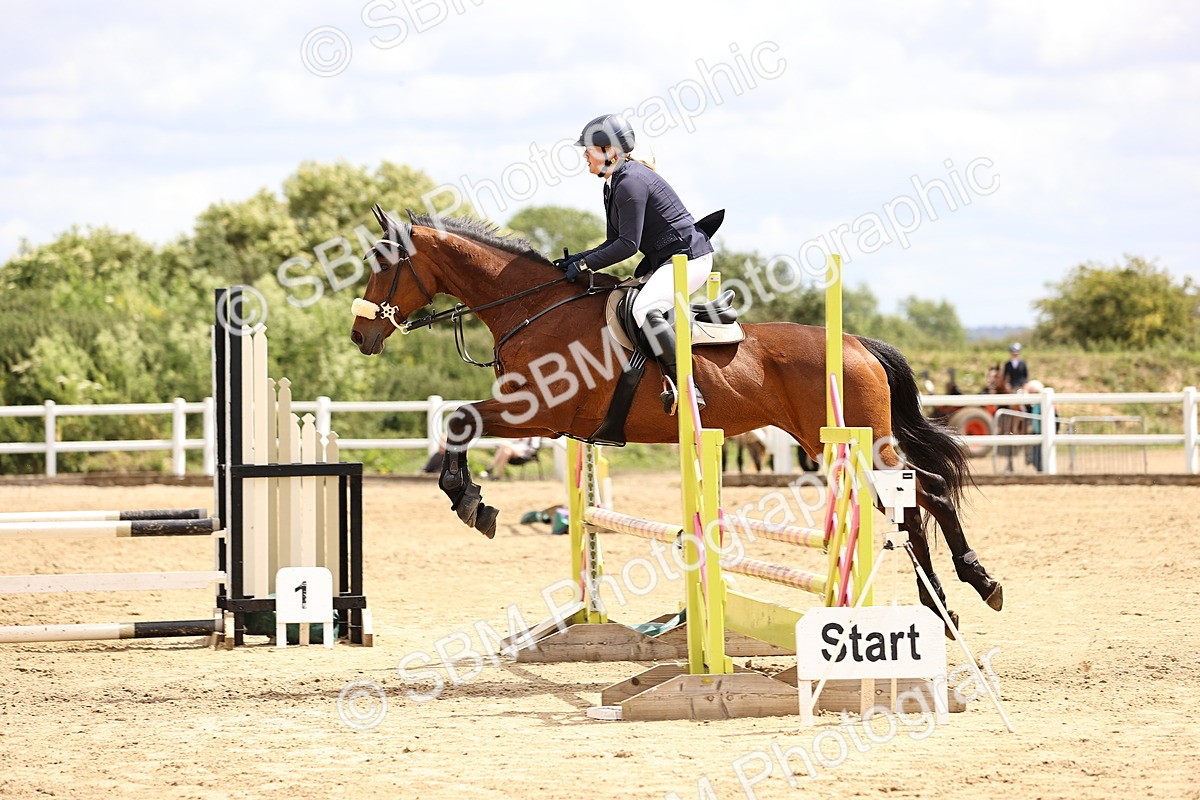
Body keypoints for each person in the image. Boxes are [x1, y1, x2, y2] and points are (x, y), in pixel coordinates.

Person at [554, 113, 717, 413]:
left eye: (588, 150)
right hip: (669, 260)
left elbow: (628, 246)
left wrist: (586, 265)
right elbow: (612, 242)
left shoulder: (630, 183)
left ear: (608, 152)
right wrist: (578, 259)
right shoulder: (613, 184)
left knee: (643, 308)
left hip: (689, 260)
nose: (583, 156)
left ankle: (687, 385)